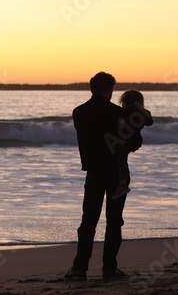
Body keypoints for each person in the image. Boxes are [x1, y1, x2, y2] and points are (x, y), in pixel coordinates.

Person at [65, 72, 127, 280]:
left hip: (93, 172)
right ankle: (109, 268)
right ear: (110, 90)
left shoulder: (79, 112)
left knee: (88, 221)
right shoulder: (118, 113)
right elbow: (135, 142)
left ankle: (79, 268)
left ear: (91, 88)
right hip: (117, 174)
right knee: (114, 221)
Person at [112, 89, 153, 199]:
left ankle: (122, 185)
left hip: (129, 141)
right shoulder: (133, 111)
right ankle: (122, 184)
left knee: (121, 159)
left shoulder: (130, 111)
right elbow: (149, 121)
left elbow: (149, 121)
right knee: (121, 159)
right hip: (132, 140)